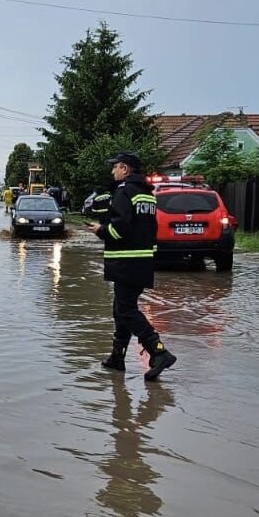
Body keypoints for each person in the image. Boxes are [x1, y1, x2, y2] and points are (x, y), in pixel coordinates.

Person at [87, 152, 176, 381]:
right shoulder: (147, 195)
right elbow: (149, 229)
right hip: (142, 261)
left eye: (115, 167)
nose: (112, 171)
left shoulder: (124, 192)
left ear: (125, 169)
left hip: (126, 261)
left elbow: (119, 229)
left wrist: (100, 230)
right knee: (121, 309)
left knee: (126, 310)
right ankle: (117, 358)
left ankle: (159, 352)